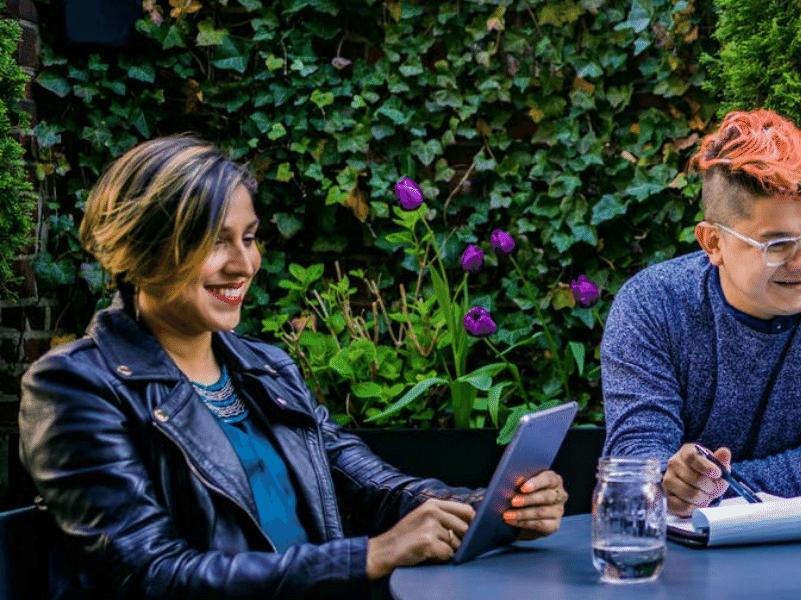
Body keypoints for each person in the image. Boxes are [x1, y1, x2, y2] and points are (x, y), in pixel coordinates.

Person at [20, 136, 568, 600]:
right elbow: (151, 575)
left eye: (249, 237)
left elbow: (372, 486)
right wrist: (369, 556)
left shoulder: (266, 369)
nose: (244, 264)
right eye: (216, 242)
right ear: (142, 249)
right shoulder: (75, 386)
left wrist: (492, 508)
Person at [601, 109, 801, 517]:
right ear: (713, 243)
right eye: (777, 245)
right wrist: (671, 480)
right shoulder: (651, 306)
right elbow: (638, 463)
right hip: (688, 552)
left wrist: (710, 492)